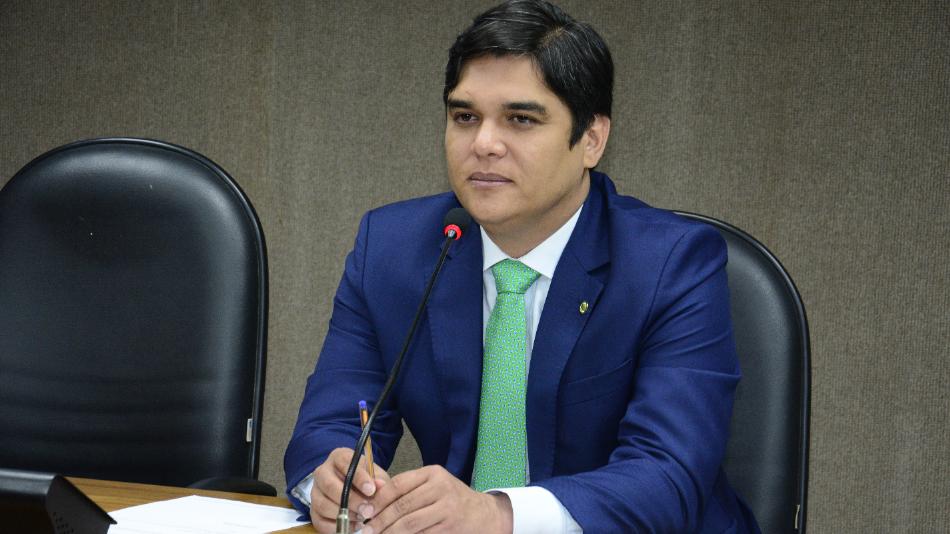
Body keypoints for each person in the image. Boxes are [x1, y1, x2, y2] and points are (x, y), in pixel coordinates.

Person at [285, 1, 760, 532]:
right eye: (465, 117)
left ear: (591, 139)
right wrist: (331, 485)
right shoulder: (393, 248)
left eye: (521, 119)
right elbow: (330, 423)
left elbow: (667, 475)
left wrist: (499, 514)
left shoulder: (672, 264)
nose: (484, 144)